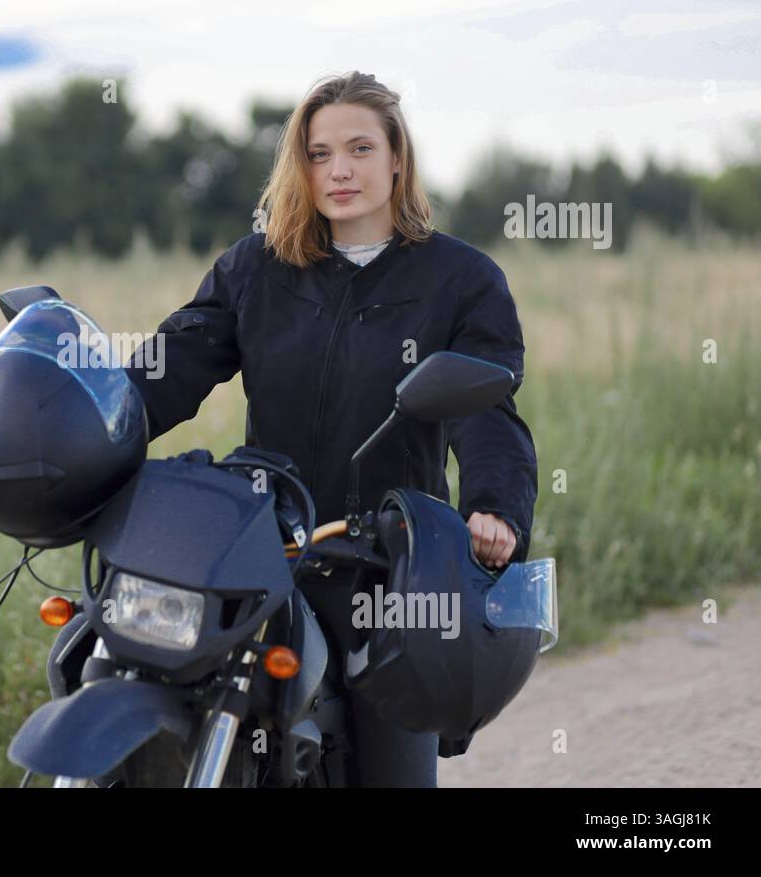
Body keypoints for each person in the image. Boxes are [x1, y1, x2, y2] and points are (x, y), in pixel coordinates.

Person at [121, 70, 539, 787]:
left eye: (359, 148)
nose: (339, 170)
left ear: (397, 158)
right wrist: (94, 424)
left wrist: (494, 505)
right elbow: (171, 369)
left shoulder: (460, 278)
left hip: (383, 564)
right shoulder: (254, 267)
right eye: (318, 153)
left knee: (389, 767)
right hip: (257, 548)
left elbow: (483, 408)